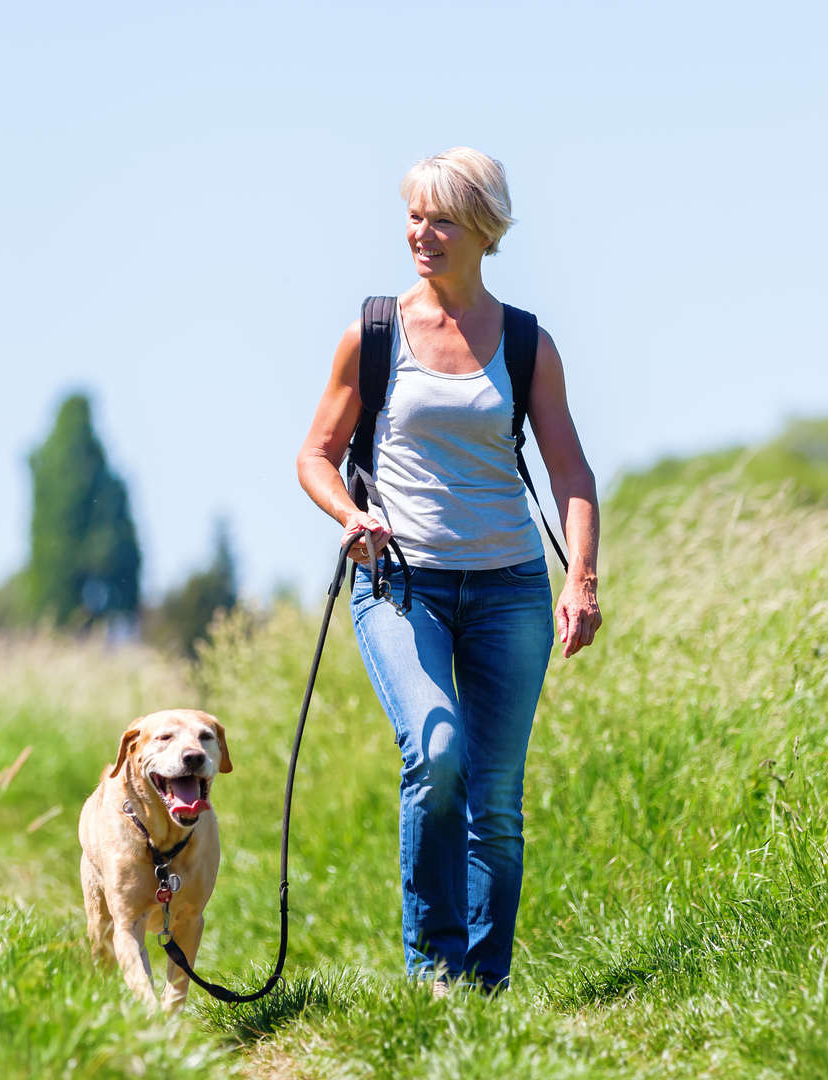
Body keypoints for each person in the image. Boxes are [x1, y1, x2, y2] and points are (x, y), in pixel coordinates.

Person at [295, 147, 602, 992]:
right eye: (413, 216)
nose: (420, 233)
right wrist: (352, 516)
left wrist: (581, 577)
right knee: (435, 754)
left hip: (509, 588)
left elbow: (571, 472)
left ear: (483, 229)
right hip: (402, 585)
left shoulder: (529, 342)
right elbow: (316, 456)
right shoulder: (376, 330)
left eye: (440, 218)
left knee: (495, 804)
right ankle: (433, 974)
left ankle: (483, 990)